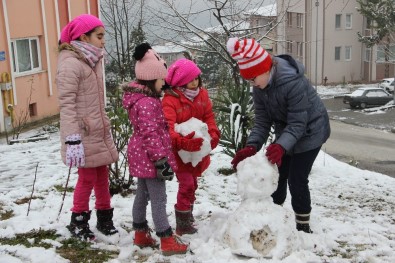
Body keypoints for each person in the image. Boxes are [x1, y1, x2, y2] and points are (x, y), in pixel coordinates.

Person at [226, 37, 331, 233]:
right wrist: (252, 146)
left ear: (265, 69)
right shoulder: (259, 87)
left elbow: (298, 123)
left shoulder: (293, 83)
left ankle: (302, 226)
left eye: (253, 78)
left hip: (311, 131)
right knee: (279, 172)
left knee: (297, 178)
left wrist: (281, 146)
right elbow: (262, 122)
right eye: (248, 79)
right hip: (288, 131)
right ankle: (275, 215)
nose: (252, 83)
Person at [56, 14, 119, 240]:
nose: (103, 41)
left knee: (102, 176)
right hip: (82, 134)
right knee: (87, 178)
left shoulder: (91, 60)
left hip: (97, 130)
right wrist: (72, 138)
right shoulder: (71, 63)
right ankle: (78, 220)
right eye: (99, 36)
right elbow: (67, 104)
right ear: (84, 36)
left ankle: (104, 218)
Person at [122, 43, 188, 256]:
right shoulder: (148, 104)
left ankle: (140, 233)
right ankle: (166, 239)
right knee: (158, 198)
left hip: (140, 155)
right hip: (151, 157)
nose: (164, 83)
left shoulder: (139, 99)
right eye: (162, 80)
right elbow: (151, 134)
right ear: (152, 80)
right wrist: (161, 160)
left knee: (142, 194)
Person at [162, 58, 221, 235]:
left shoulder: (202, 95)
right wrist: (181, 141)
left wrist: (213, 133)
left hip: (197, 151)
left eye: (197, 78)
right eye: (190, 79)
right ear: (180, 81)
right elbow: (167, 127)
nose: (195, 82)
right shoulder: (170, 100)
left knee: (193, 184)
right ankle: (182, 222)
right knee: (186, 184)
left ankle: (187, 213)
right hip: (180, 153)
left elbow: (208, 116)